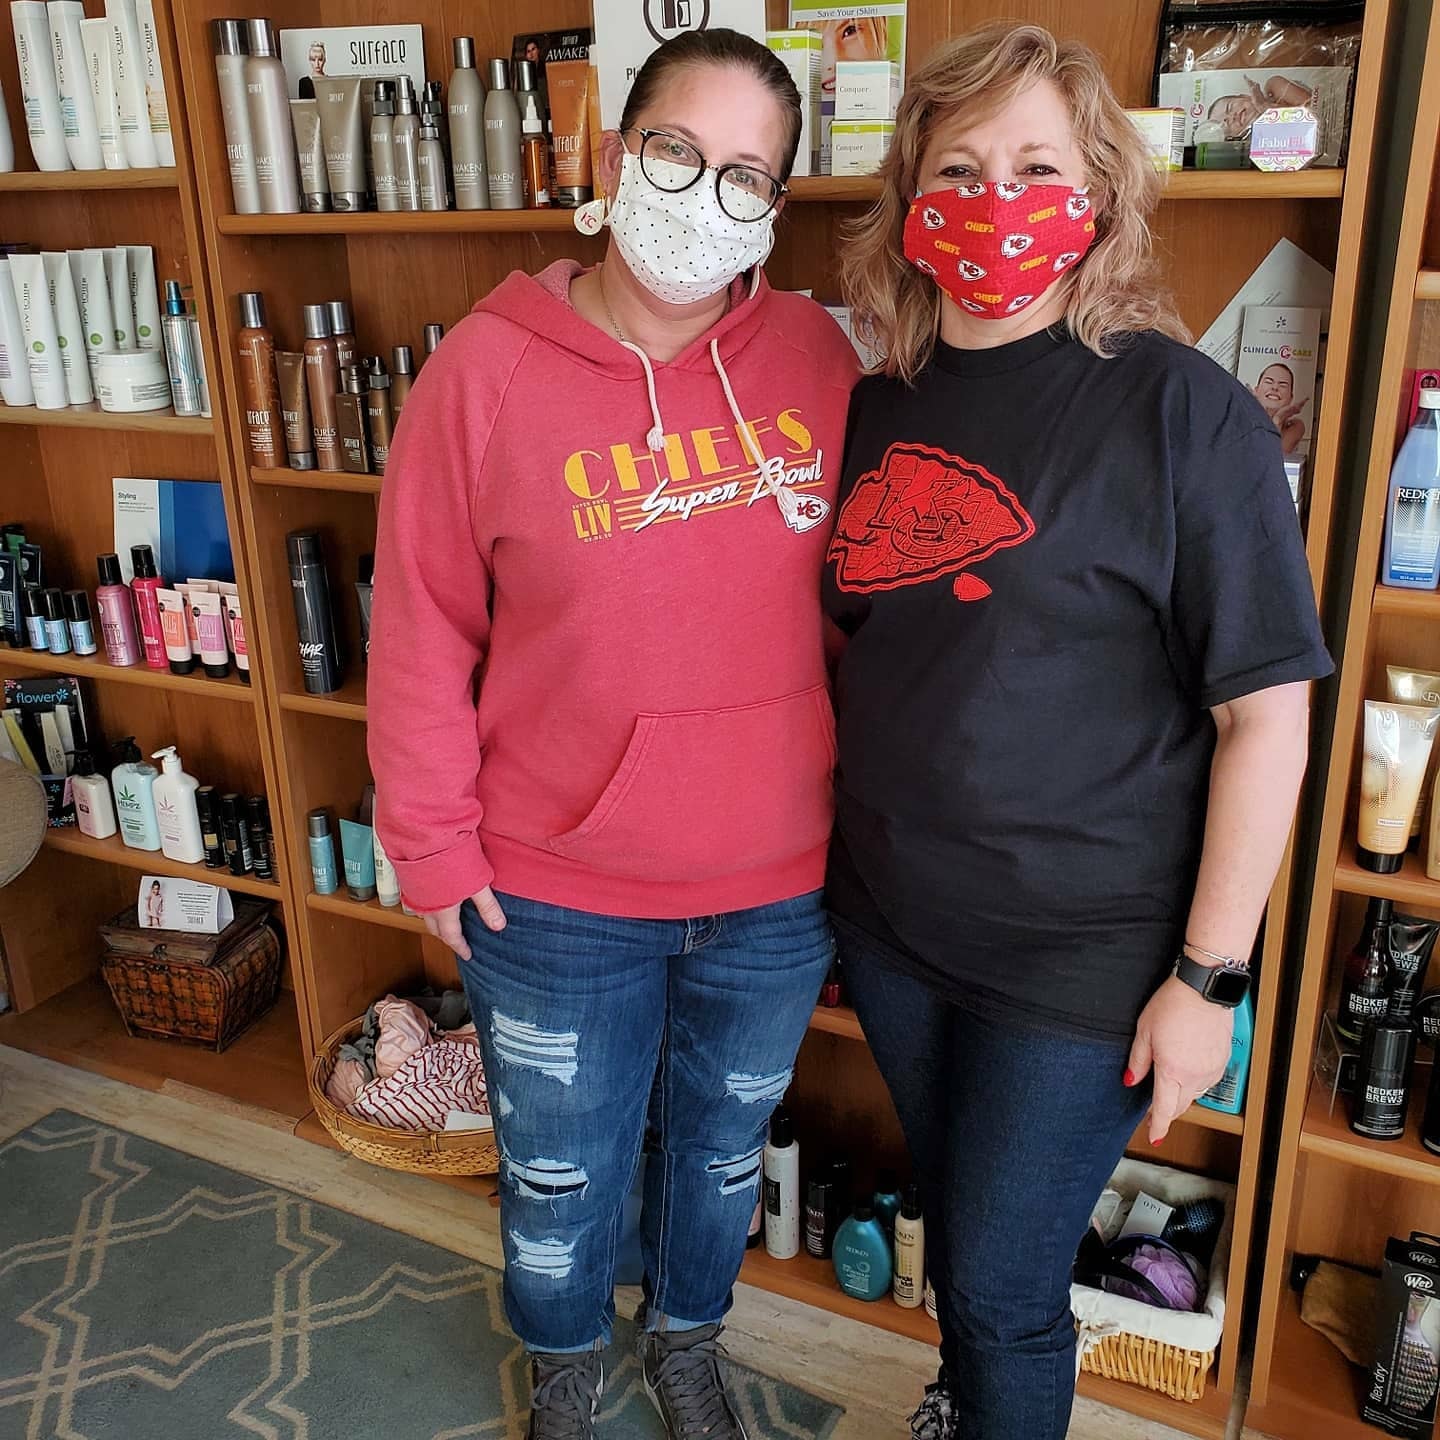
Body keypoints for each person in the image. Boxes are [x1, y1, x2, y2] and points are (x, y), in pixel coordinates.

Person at [829, 23, 1331, 1440]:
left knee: (1000, 1285)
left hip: (1083, 953)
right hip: (892, 921)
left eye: (1037, 167)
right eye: (960, 170)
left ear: (1099, 192)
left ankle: (984, 1390)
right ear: (911, 200)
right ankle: (967, 1400)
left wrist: (1209, 981)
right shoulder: (874, 406)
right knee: (963, 1229)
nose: (996, 200)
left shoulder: (1187, 414)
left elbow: (1267, 721)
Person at [368, 28, 857, 1440]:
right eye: (677, 151)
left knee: (719, 1162)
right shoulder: (482, 376)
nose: (706, 195)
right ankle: (566, 1360)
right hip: (554, 894)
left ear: (777, 205)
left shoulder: (821, 361)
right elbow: (422, 627)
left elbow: (866, 604)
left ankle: (687, 1340)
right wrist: (431, 845)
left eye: (748, 173)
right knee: (560, 1172)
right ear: (610, 155)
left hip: (774, 888)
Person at [1251, 360, 1308, 454]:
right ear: (1256, 391)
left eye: (1283, 385)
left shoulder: (1296, 426)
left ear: (1291, 397)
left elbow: (1271, 456)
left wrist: (1278, 419)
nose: (1275, 387)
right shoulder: (1243, 419)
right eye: (1269, 382)